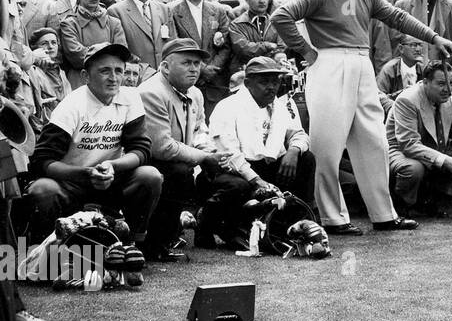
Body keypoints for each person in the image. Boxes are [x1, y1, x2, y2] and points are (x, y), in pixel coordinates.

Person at [270, 0, 443, 236]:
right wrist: (307, 50)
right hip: (330, 65)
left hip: (362, 64)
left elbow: (398, 17)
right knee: (328, 145)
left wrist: (434, 37)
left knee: (374, 141)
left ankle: (384, 215)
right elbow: (281, 15)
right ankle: (333, 219)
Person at [27, 42, 162, 255]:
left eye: (119, 70)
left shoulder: (130, 97)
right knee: (42, 189)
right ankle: (45, 252)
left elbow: (141, 149)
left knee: (150, 176)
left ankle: (132, 245)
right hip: (71, 181)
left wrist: (112, 165)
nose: (114, 78)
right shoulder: (71, 106)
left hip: (110, 178)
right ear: (85, 76)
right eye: (104, 71)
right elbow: (42, 161)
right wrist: (84, 174)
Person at [206, 56, 315, 248]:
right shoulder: (228, 107)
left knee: (306, 158)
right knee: (237, 186)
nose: (271, 87)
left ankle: (297, 223)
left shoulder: (280, 106)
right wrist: (257, 181)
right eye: (264, 82)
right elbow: (229, 154)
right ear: (248, 83)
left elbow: (299, 134)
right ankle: (214, 224)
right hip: (234, 172)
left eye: (275, 81)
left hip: (266, 167)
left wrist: (294, 150)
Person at [137, 38, 227, 261]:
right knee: (178, 173)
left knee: (196, 172)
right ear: (165, 67)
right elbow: (162, 148)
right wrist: (205, 157)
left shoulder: (195, 93)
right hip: (146, 162)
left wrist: (211, 152)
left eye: (197, 64)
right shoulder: (151, 92)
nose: (194, 69)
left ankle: (167, 240)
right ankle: (153, 244)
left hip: (178, 160)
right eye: (187, 63)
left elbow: (199, 130)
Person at [386, 59, 452, 219]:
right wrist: (444, 160)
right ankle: (402, 204)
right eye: (441, 83)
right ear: (425, 82)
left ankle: (434, 199)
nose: (448, 89)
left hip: (434, 146)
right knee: (413, 169)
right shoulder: (407, 100)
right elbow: (409, 145)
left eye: (451, 83)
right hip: (400, 150)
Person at [166, 0, 234, 116]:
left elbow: (226, 45)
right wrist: (200, 68)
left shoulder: (218, 10)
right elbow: (175, 43)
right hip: (184, 81)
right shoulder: (172, 10)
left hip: (214, 84)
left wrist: (212, 69)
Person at [57, 0, 129, 85]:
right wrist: (108, 50)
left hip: (110, 80)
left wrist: (92, 52)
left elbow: (121, 52)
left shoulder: (114, 23)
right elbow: (76, 56)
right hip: (81, 80)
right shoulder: (69, 24)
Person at [107, 0, 169, 82]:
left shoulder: (163, 9)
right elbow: (120, 49)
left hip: (164, 77)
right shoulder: (116, 11)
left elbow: (171, 43)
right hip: (135, 78)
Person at [227, 0, 287, 72]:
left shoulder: (276, 22)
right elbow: (244, 50)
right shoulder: (237, 24)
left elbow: (281, 48)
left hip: (272, 71)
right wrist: (268, 45)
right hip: (246, 72)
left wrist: (257, 47)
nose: (262, 1)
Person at [24, 27, 71, 129]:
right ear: (35, 47)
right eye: (44, 43)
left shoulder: (61, 72)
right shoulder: (32, 72)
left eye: (54, 43)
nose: (50, 47)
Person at [377, 35, 425, 114]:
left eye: (420, 45)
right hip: (393, 115)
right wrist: (396, 109)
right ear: (401, 48)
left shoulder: (424, 69)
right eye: (413, 45)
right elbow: (379, 96)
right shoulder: (389, 69)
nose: (418, 49)